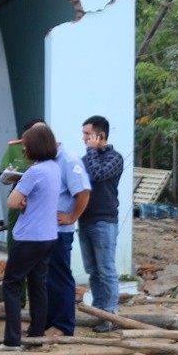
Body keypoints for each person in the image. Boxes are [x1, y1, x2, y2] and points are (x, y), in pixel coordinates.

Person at [0, 123, 62, 350]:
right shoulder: (54, 168)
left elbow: (12, 201)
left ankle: (12, 340)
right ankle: (35, 335)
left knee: (12, 285)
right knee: (37, 285)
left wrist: (21, 197)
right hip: (48, 235)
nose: (23, 149)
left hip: (29, 236)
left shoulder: (34, 171)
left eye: (25, 145)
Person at [79, 115, 125, 332]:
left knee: (106, 269)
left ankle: (111, 315)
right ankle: (99, 312)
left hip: (104, 221)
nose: (84, 139)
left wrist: (91, 150)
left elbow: (97, 174)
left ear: (100, 135)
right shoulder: (87, 157)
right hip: (85, 219)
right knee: (93, 271)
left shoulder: (114, 158)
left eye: (87, 134)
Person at [46, 128, 92, 336]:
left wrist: (72, 216)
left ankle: (63, 325)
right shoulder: (46, 159)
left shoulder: (69, 160)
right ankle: (48, 322)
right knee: (46, 278)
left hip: (59, 230)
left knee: (59, 277)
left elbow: (83, 192)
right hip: (44, 230)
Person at [0, 119, 40, 246]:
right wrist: (9, 173)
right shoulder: (14, 148)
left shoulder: (50, 151)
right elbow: (3, 176)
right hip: (19, 196)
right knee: (14, 236)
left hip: (39, 199)